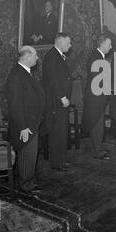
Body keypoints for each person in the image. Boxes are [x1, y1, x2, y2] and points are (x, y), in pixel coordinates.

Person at [5, 46, 45, 193]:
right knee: (27, 154)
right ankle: (26, 185)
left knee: (31, 154)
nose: (37, 58)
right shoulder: (16, 75)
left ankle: (29, 180)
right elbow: (15, 105)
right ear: (27, 56)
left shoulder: (24, 72)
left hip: (31, 122)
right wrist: (23, 127)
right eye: (35, 55)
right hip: (25, 124)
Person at [41, 33, 72, 171]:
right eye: (68, 43)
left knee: (62, 131)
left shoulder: (57, 55)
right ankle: (57, 162)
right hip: (56, 101)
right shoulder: (52, 57)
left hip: (60, 100)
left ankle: (61, 159)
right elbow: (53, 80)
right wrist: (62, 96)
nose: (70, 46)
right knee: (57, 132)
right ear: (59, 42)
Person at [82, 35, 112, 160]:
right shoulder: (96, 58)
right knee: (96, 124)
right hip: (95, 97)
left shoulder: (99, 56)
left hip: (98, 96)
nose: (111, 47)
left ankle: (98, 147)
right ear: (103, 44)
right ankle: (96, 151)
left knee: (98, 124)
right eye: (109, 44)